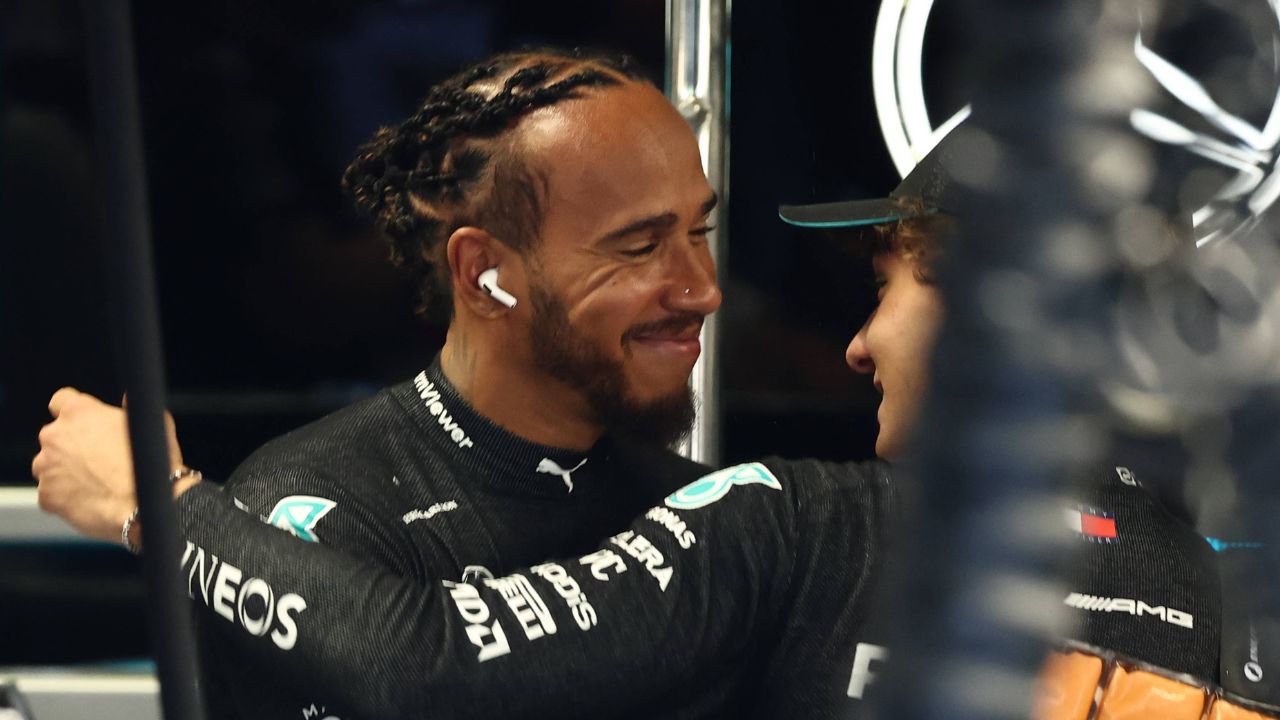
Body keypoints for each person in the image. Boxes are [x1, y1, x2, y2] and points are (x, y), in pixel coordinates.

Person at [38, 126, 1280, 718]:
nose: (853, 346)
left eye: (884, 291)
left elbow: (418, 661)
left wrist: (156, 501)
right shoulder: (1236, 590)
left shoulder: (797, 528)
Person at [39, 46, 730, 718]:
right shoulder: (309, 512)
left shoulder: (709, 513)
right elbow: (406, 667)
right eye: (639, 246)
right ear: (485, 275)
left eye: (701, 231)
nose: (703, 290)